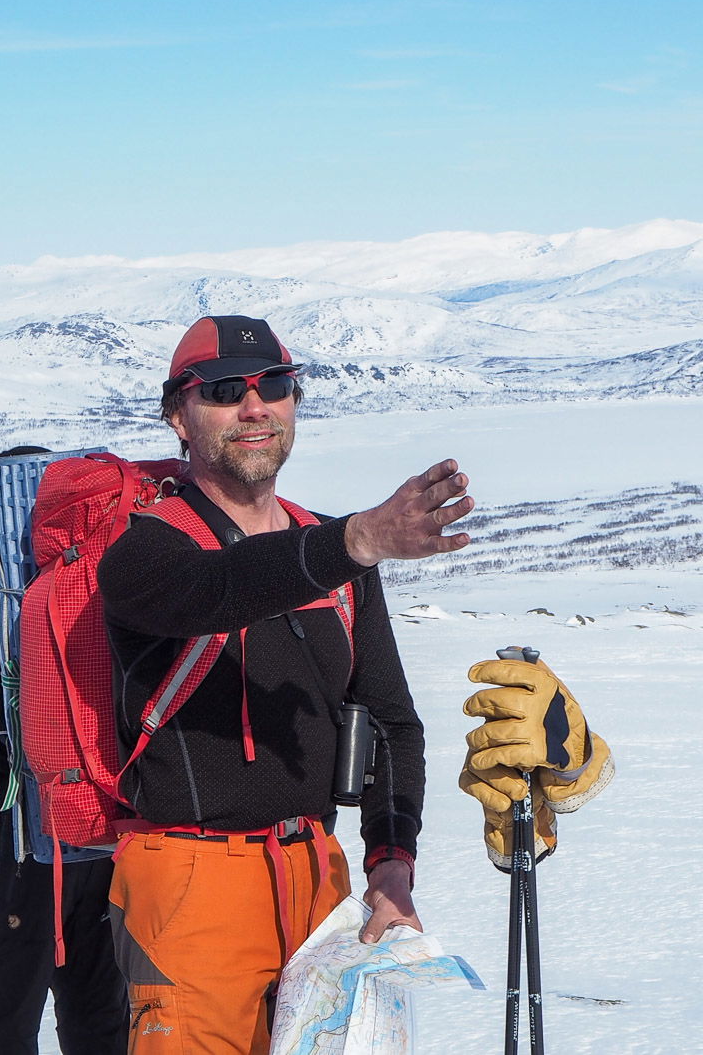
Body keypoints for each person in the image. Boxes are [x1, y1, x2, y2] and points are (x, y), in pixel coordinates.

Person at [96, 314, 475, 1055]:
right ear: (178, 414)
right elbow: (221, 587)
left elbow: (391, 721)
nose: (254, 406)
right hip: (187, 886)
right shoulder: (143, 551)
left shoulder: (332, 555)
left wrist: (391, 863)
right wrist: (357, 540)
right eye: (224, 391)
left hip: (317, 882)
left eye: (274, 385)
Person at [0, 566, 127, 1055]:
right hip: (94, 834)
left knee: (8, 1008)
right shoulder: (100, 598)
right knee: (90, 1008)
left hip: (26, 842)